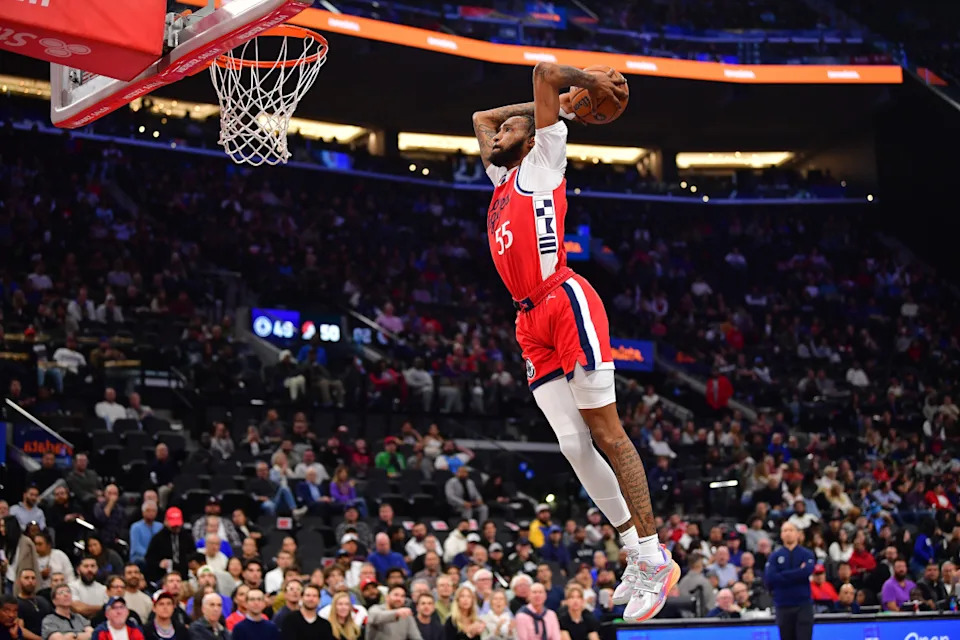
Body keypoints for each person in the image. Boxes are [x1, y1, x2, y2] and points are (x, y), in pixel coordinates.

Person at [470, 62, 674, 622]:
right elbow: (481, 116)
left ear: (533, 139)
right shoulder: (500, 180)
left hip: (565, 303)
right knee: (570, 442)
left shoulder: (543, 160)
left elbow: (543, 72)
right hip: (528, 322)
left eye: (516, 129)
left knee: (605, 430)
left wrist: (566, 97)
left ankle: (656, 557)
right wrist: (544, 110)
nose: (500, 133)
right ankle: (636, 553)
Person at [764, 522, 815, 640]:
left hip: (803, 605)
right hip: (783, 605)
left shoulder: (806, 554)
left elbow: (807, 571)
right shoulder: (775, 556)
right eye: (785, 530)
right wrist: (798, 572)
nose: (788, 533)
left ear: (798, 534)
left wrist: (782, 575)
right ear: (781, 535)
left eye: (791, 530)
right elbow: (771, 577)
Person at [16, 567, 52, 640]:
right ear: (18, 582)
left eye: (33, 578)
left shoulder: (42, 600)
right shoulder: (15, 603)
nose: (30, 581)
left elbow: (53, 619)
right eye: (26, 578)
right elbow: (20, 629)